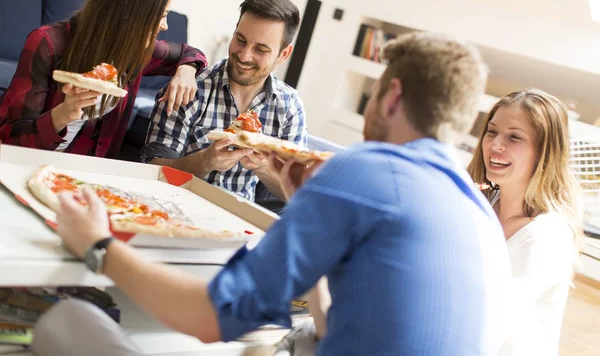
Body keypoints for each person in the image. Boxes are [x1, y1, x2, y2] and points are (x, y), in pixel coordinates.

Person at [49, 32, 511, 356]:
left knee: (69, 320)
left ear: (391, 97)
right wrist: (308, 220)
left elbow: (211, 318)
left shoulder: (363, 168)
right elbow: (338, 327)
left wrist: (99, 245)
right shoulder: (481, 214)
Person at [0, 0, 206, 158]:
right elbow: (10, 139)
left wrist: (186, 70)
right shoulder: (47, 43)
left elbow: (190, 53)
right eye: (161, 15)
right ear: (131, 15)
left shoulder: (136, 52)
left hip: (90, 173)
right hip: (29, 162)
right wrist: (62, 114)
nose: (165, 26)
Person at [141, 0, 307, 201]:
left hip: (240, 223)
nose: (244, 55)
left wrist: (263, 167)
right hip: (173, 205)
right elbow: (151, 170)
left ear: (283, 54)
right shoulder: (190, 88)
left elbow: (296, 194)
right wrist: (205, 161)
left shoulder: (290, 107)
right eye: (240, 40)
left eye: (261, 49)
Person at [467, 89, 583, 355]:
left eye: (514, 137)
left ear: (544, 152)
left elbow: (487, 327)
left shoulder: (547, 235)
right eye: (492, 131)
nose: (496, 145)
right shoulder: (481, 207)